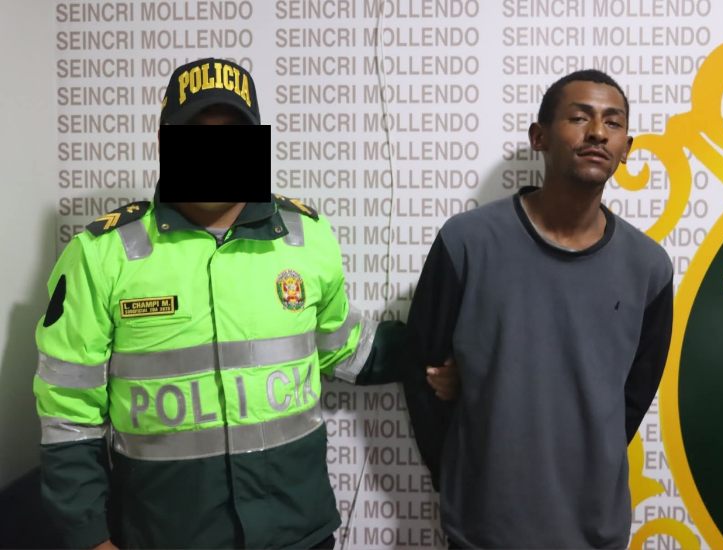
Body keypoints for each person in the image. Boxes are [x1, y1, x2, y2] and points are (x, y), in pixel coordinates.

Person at [34, 58, 458, 550]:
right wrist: (90, 538)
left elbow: (343, 345)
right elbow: (67, 416)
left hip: (299, 533)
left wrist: (444, 355)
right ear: (164, 142)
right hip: (167, 537)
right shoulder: (101, 254)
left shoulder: (306, 237)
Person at [402, 69, 674, 549]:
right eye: (579, 118)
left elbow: (632, 398)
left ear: (626, 148)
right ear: (539, 136)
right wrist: (461, 478)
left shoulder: (648, 267)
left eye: (613, 123)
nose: (598, 132)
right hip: (482, 530)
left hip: (595, 532)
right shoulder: (467, 242)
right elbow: (423, 371)